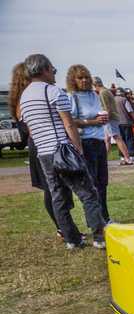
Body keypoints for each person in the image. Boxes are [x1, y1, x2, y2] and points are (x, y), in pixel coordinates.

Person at [18, 54, 106, 249]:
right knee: (88, 193)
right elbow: (69, 124)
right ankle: (99, 236)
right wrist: (78, 149)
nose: (54, 73)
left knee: (58, 196)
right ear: (45, 69)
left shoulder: (24, 97)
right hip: (62, 148)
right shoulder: (54, 92)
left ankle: (71, 239)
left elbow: (30, 129)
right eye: (52, 69)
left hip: (44, 152)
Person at [10, 61, 74, 241]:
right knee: (52, 189)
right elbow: (30, 129)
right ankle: (64, 229)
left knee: (59, 189)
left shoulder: (29, 97)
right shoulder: (25, 100)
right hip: (41, 145)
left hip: (44, 144)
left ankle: (67, 228)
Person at [65, 64, 111, 223]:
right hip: (85, 142)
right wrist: (92, 121)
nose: (84, 80)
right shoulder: (73, 97)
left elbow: (100, 116)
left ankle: (105, 216)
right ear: (73, 80)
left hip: (99, 141)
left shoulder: (94, 95)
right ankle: (96, 220)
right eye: (80, 78)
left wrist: (103, 123)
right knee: (91, 183)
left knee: (102, 182)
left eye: (86, 77)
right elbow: (70, 121)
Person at [113, 87, 134, 160]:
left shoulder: (112, 100)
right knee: (129, 139)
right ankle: (131, 155)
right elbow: (130, 111)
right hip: (126, 122)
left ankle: (122, 156)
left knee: (121, 140)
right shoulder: (124, 100)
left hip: (117, 123)